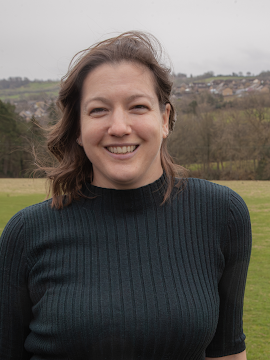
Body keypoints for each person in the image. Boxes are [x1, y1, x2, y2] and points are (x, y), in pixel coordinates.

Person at [0, 31, 251, 360]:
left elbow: (227, 352)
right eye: (99, 110)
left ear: (164, 119)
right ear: (77, 128)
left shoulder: (221, 214)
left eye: (137, 106)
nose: (119, 126)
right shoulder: (27, 233)